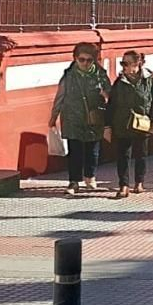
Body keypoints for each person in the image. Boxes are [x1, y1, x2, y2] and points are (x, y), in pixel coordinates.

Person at [50, 42, 111, 195]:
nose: (85, 63)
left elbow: (110, 95)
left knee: (92, 150)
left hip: (94, 117)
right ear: (75, 59)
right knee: (75, 151)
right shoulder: (69, 75)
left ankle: (90, 176)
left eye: (89, 60)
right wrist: (53, 117)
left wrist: (105, 95)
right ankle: (74, 182)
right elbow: (60, 96)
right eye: (81, 59)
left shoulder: (100, 75)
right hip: (72, 117)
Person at [107, 50, 153, 198]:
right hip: (123, 123)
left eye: (127, 63)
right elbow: (111, 105)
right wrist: (107, 126)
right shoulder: (120, 82)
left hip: (142, 123)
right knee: (123, 155)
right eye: (122, 63)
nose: (124, 66)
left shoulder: (148, 79)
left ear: (137, 64)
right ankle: (123, 185)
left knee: (141, 154)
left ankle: (139, 182)